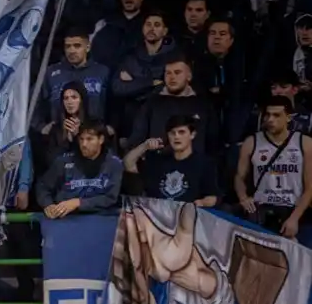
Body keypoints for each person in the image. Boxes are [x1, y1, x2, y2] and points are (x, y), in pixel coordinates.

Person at [233, 96, 312, 238]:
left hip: (292, 208)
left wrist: (295, 218)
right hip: (262, 208)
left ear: (288, 117)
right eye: (267, 115)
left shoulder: (305, 143)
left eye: (276, 115)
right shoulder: (251, 142)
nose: (270, 119)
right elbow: (239, 177)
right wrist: (243, 197)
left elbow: (309, 188)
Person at [123, 115, 219, 205]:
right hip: (156, 213)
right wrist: (144, 146)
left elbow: (212, 197)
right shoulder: (158, 160)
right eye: (172, 133)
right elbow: (128, 163)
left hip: (186, 213)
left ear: (192, 135)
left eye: (181, 132)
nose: (176, 137)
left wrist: (201, 203)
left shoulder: (204, 164)